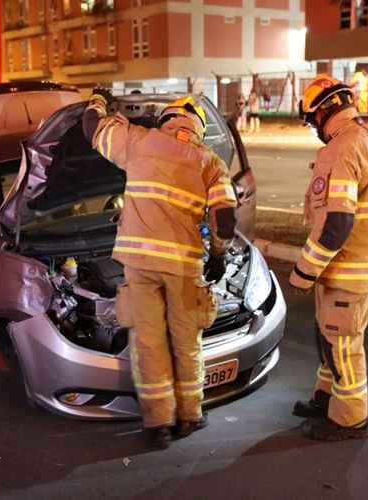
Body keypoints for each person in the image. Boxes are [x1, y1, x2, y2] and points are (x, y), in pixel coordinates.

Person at [82, 89, 237, 449]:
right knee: (186, 342)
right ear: (197, 127)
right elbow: (225, 220)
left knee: (148, 341)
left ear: (165, 119)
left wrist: (97, 100)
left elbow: (91, 129)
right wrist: (217, 254)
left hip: (139, 264)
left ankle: (158, 423)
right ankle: (190, 416)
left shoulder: (138, 140)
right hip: (183, 266)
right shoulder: (210, 162)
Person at [290, 75, 368, 441]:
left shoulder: (342, 148)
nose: (313, 127)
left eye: (311, 119)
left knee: (343, 346)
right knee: (330, 339)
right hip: (357, 264)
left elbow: (337, 223)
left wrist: (304, 272)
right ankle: (326, 399)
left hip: (345, 268)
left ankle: (348, 419)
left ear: (323, 112)